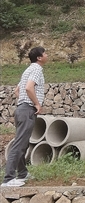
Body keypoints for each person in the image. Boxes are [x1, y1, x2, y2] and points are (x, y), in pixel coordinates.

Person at [1, 46, 48, 187]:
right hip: (27, 110)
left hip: (22, 109)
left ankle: (22, 173)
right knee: (20, 144)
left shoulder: (28, 69)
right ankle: (8, 178)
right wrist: (36, 104)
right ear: (39, 57)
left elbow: (18, 90)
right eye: (45, 53)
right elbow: (28, 88)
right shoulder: (36, 69)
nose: (47, 55)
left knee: (23, 143)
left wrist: (22, 102)